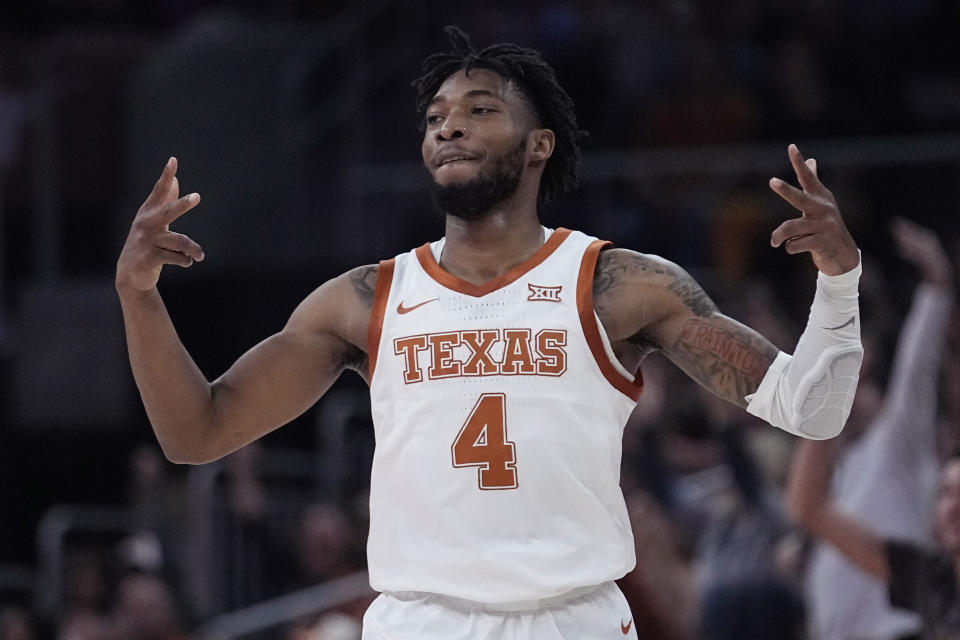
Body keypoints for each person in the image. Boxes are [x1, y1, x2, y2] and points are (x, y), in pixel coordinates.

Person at [116, 26, 863, 640]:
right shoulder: (363, 300)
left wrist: (838, 283)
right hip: (421, 623)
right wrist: (138, 295)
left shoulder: (619, 286)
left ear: (539, 145)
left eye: (479, 110)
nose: (449, 125)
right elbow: (197, 432)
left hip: (572, 622)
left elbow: (813, 408)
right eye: (437, 115)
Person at [788, 219, 955, 640]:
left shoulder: (896, 442)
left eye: (857, 385)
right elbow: (806, 505)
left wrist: (936, 286)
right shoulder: (841, 469)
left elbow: (914, 376)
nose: (850, 395)